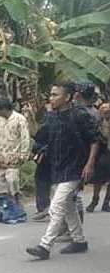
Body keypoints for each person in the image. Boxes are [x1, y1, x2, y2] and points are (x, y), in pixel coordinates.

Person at [26, 82, 103, 261]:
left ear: (67, 97)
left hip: (76, 167)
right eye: (51, 95)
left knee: (57, 205)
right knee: (68, 206)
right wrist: (30, 119)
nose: (51, 98)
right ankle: (79, 240)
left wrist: (90, 164)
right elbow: (39, 136)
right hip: (58, 167)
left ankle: (45, 245)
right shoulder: (51, 117)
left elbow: (94, 140)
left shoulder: (79, 115)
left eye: (55, 95)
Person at [0, 97, 31, 203]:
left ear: (3, 109)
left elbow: (25, 138)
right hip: (0, 156)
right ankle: (1, 205)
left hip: (14, 156)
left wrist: (23, 155)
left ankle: (15, 202)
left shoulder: (20, 119)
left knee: (11, 180)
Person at [74, 83, 110, 213]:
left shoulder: (92, 112)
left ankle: (106, 202)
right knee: (99, 177)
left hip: (103, 148)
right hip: (103, 149)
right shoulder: (95, 115)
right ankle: (95, 200)